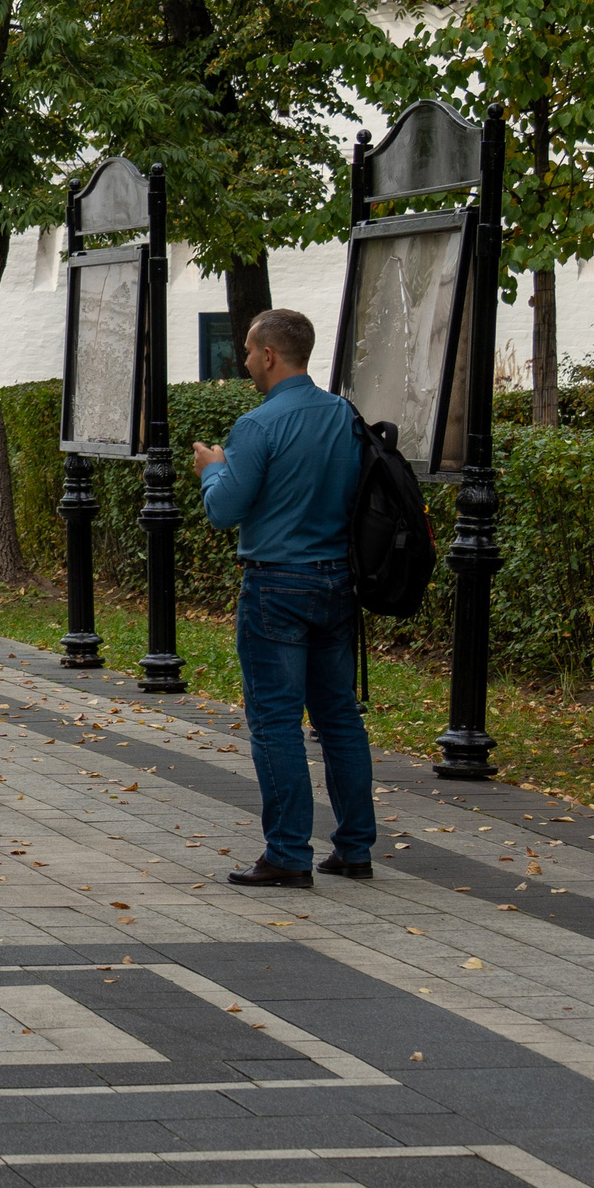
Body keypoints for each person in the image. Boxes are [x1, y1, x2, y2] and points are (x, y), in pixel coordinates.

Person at [191, 307, 375, 888]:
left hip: (276, 584)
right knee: (339, 717)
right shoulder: (344, 415)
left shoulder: (257, 426)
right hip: (336, 582)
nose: (244, 360)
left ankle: (289, 854)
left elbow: (224, 511)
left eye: (247, 350)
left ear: (268, 355)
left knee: (275, 720)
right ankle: (355, 848)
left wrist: (212, 469)